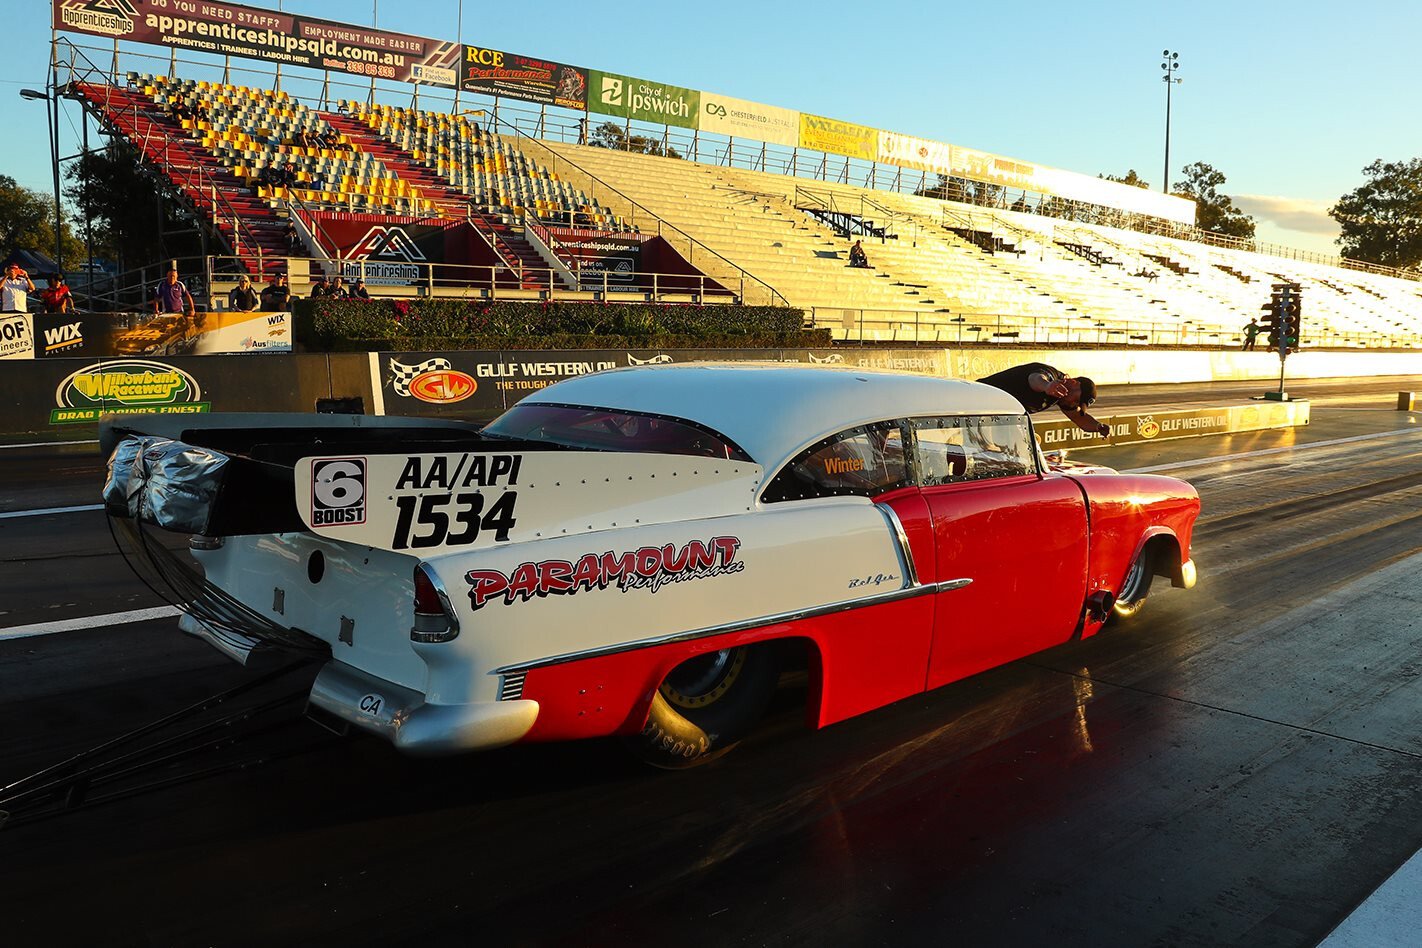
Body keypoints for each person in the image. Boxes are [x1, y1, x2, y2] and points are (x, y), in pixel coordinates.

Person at [977, 362, 1111, 436]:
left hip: (993, 414)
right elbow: (1034, 379)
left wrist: (1098, 427)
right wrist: (1047, 386)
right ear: (1074, 383)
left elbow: (1079, 418)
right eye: (1076, 400)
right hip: (977, 397)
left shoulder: (1063, 398)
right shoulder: (1051, 375)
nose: (1073, 404)